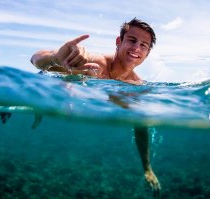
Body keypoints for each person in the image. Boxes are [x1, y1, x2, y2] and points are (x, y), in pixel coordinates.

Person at [30, 18, 161, 194]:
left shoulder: (136, 86)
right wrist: (55, 57)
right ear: (118, 41)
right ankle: (35, 109)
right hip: (43, 84)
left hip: (69, 94)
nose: (137, 48)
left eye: (144, 45)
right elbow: (36, 58)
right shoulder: (97, 64)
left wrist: (147, 168)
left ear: (147, 53)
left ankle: (35, 110)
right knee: (58, 93)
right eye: (132, 40)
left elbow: (141, 125)